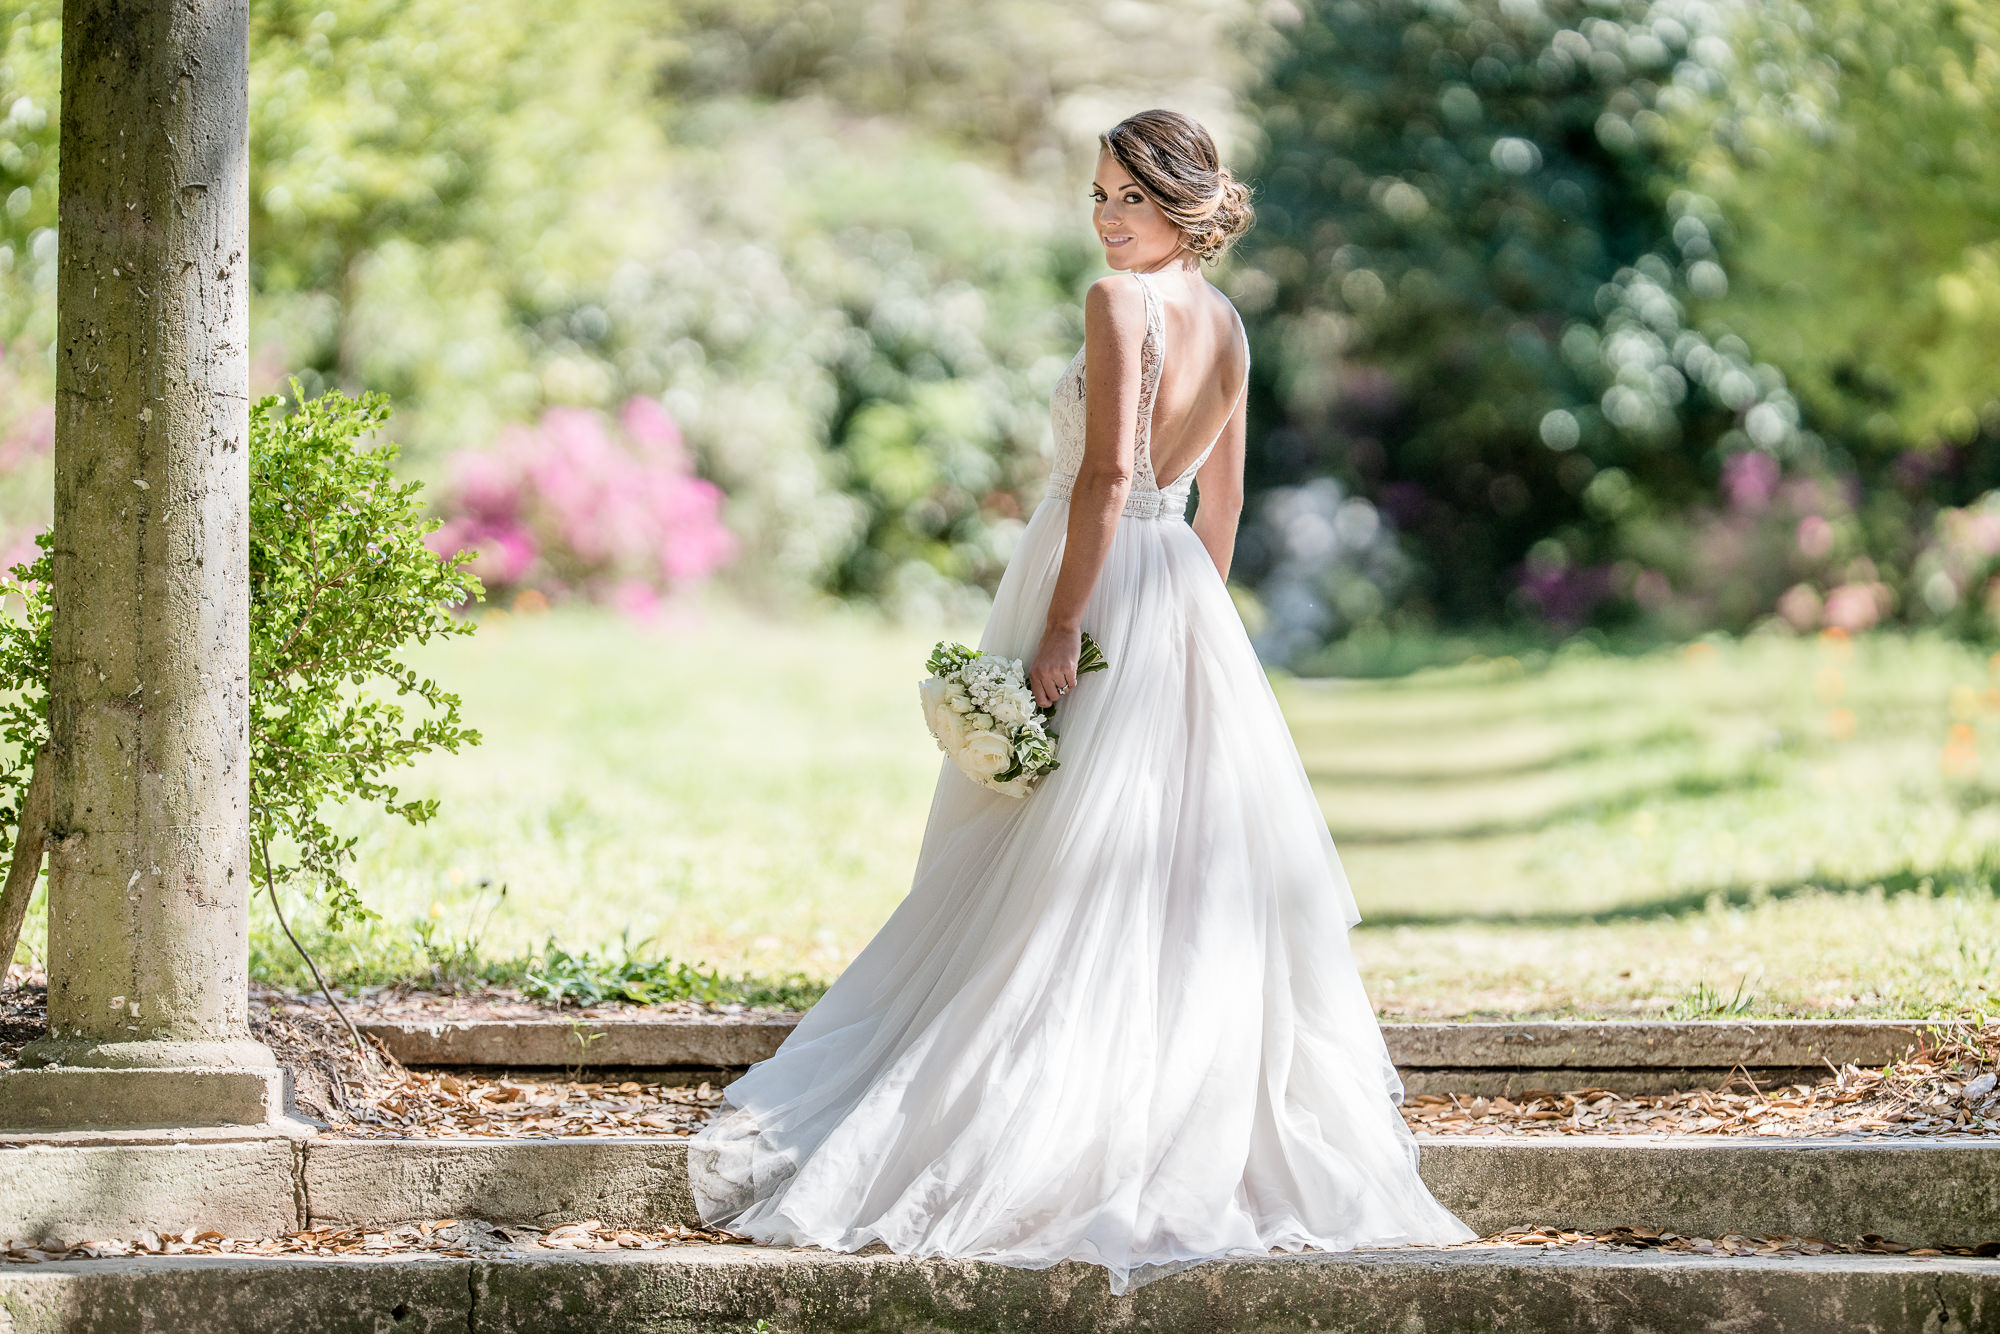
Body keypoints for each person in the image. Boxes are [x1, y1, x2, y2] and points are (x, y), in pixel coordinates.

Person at [687, 108, 1474, 1293]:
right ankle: (1154, 1101)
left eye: (1127, 197)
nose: (1106, 217)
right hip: (1176, 601)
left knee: (1054, 853)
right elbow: (1222, 505)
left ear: (1180, 204)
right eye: (1097, 195)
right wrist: (1189, 631)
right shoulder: (1228, 321)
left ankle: (1033, 1111)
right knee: (1147, 860)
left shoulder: (1121, 308)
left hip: (1097, 582)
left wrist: (1065, 626)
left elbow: (1109, 473)